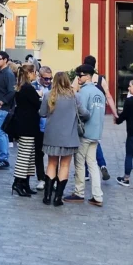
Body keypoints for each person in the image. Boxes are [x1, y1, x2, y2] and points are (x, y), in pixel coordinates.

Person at [65, 64, 104, 205]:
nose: (78, 78)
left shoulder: (83, 92)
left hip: (85, 132)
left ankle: (79, 192)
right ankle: (97, 195)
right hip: (96, 132)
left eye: (80, 75)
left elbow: (81, 112)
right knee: (92, 164)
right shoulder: (99, 92)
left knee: (80, 163)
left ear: (87, 76)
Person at [39, 72, 80, 206]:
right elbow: (84, 113)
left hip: (52, 136)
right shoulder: (74, 96)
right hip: (69, 136)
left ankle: (47, 197)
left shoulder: (48, 95)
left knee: (51, 164)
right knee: (65, 165)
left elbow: (42, 113)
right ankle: (58, 198)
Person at [82, 55, 118, 181]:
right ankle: (102, 164)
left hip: (85, 113)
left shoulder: (80, 78)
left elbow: (73, 94)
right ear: (95, 65)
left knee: (85, 141)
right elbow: (108, 96)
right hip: (98, 113)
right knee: (94, 140)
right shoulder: (101, 79)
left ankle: (85, 172)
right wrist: (115, 113)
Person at [10, 62, 41, 197]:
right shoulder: (27, 88)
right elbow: (36, 103)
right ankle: (18, 183)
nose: (36, 74)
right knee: (24, 156)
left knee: (29, 156)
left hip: (27, 125)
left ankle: (25, 183)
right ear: (29, 74)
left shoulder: (22, 87)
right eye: (34, 72)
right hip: (27, 126)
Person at [0, 52, 15, 170]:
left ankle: (3, 158)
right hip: (0, 107)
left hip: (3, 108)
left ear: (5, 60)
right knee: (1, 132)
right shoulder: (2, 72)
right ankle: (2, 157)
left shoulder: (8, 74)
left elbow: (11, 91)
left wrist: (1, 102)